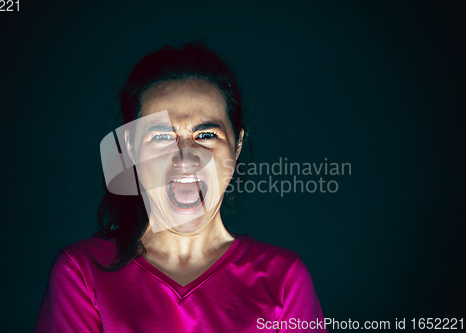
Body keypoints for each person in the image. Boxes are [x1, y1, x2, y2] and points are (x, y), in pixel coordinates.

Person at [34, 41, 327, 332]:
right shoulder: (81, 272)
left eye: (207, 134)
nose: (185, 157)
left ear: (236, 146)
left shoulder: (284, 278)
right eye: (161, 137)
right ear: (131, 149)